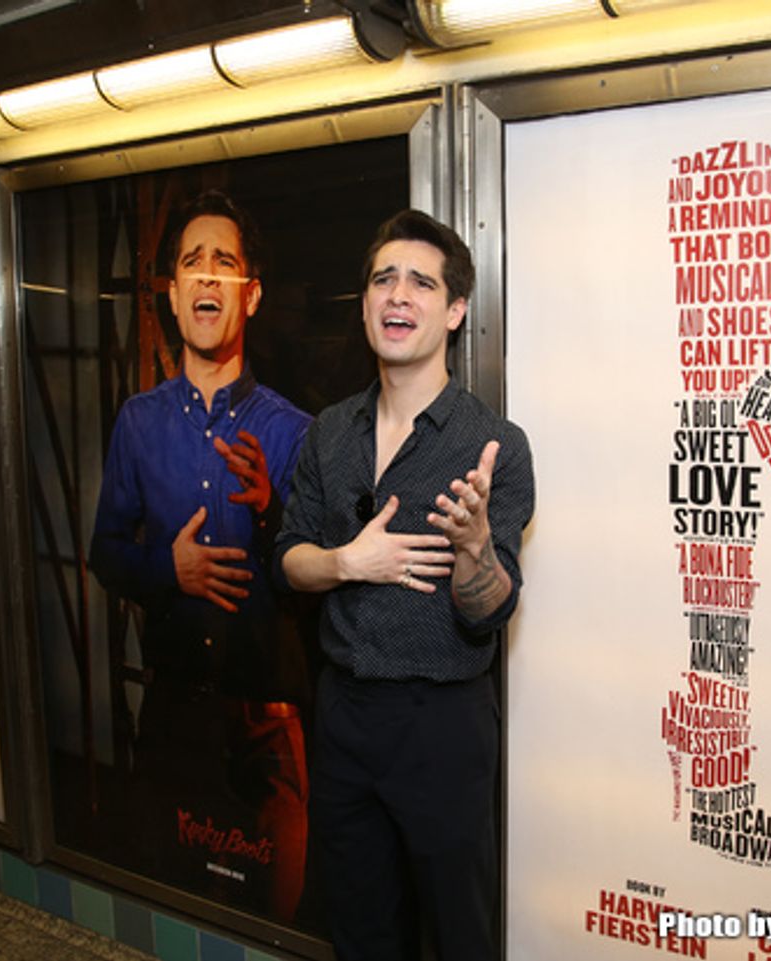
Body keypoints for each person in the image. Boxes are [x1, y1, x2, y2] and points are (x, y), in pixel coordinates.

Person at [277, 209, 535, 960]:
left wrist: (476, 551)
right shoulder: (329, 431)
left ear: (454, 311)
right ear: (363, 305)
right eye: (384, 279)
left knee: (458, 931)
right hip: (345, 716)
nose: (399, 295)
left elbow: (493, 610)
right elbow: (289, 556)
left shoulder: (493, 445)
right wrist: (347, 562)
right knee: (358, 929)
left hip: (442, 726)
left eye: (422, 282)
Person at [88, 189, 311, 919]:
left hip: (267, 724)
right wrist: (167, 571)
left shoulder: (294, 433)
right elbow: (104, 551)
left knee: (273, 916)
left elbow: (329, 577)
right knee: (169, 904)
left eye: (224, 263)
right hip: (173, 714)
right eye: (192, 264)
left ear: (250, 296)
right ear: (175, 296)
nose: (207, 276)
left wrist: (271, 515)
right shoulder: (138, 423)